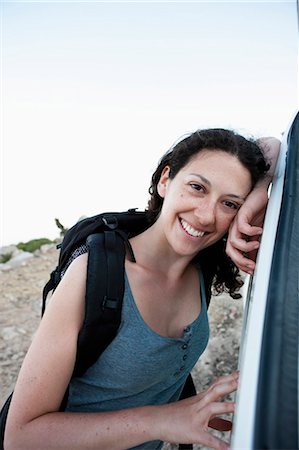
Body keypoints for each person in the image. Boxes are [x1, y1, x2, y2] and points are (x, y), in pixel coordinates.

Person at [4, 128, 280, 450]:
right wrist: (162, 420)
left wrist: (260, 189)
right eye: (196, 187)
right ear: (166, 180)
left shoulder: (200, 268)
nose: (206, 216)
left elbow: (273, 147)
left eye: (229, 203)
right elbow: (21, 437)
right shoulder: (94, 275)